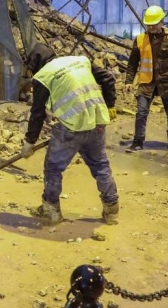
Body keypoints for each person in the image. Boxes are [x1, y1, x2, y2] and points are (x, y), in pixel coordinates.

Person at [20, 43, 119, 226]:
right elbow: (108, 78)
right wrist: (110, 104)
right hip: (97, 123)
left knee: (53, 168)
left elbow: (38, 113)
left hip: (71, 128)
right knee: (100, 165)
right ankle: (111, 210)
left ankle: (51, 212)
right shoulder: (80, 61)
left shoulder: (43, 76)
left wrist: (29, 142)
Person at [125, 5, 168, 152]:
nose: (151, 27)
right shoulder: (140, 40)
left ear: (162, 22)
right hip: (147, 82)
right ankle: (138, 142)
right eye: (149, 25)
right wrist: (128, 81)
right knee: (141, 112)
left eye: (154, 24)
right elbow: (132, 63)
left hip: (167, 81)